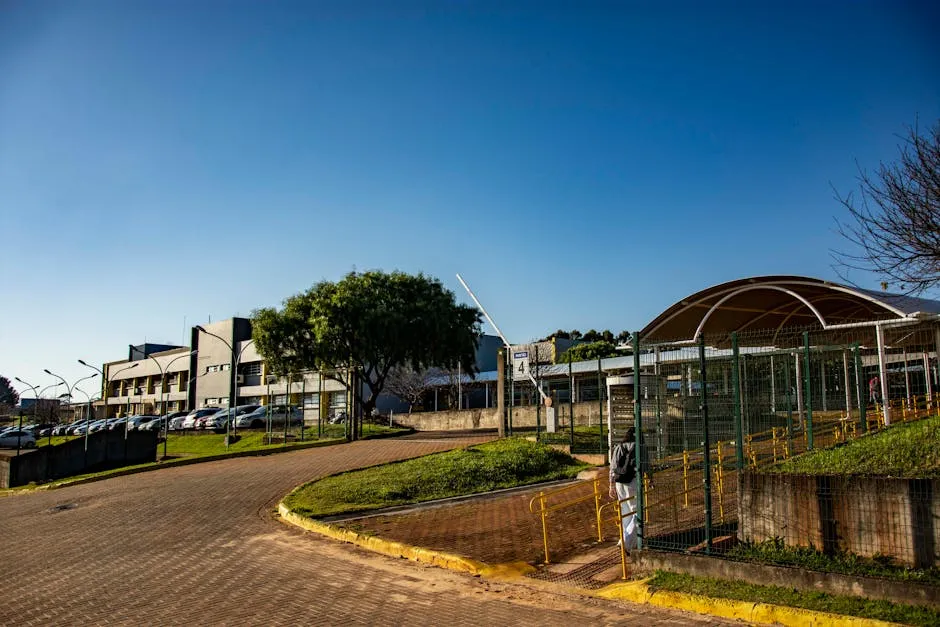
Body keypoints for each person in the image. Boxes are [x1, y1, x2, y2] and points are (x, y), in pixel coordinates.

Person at [609, 427, 639, 551]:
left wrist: (611, 485)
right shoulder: (639, 447)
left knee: (625, 512)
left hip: (619, 482)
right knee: (637, 512)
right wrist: (651, 479)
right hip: (632, 482)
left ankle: (623, 538)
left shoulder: (618, 447)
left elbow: (612, 467)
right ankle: (627, 543)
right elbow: (646, 464)